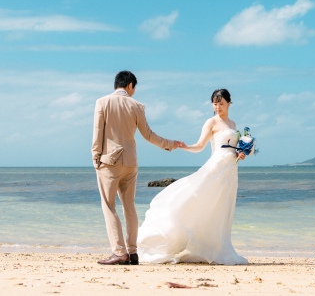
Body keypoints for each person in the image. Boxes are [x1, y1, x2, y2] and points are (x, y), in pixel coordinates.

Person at [136, 88, 248, 265]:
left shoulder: (233, 125)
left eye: (221, 103)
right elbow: (200, 146)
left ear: (229, 103)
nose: (217, 107)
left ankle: (218, 247)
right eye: (215, 103)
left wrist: (242, 154)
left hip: (230, 172)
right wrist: (185, 146)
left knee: (223, 208)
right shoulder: (211, 122)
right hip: (216, 168)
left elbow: (234, 149)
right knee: (197, 199)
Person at [92, 70, 183, 266]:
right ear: (130, 85)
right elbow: (148, 135)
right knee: (129, 207)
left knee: (109, 206)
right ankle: (133, 253)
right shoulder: (137, 106)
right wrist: (169, 144)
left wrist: (95, 158)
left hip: (109, 162)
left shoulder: (102, 102)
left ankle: (119, 252)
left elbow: (97, 132)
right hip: (131, 162)